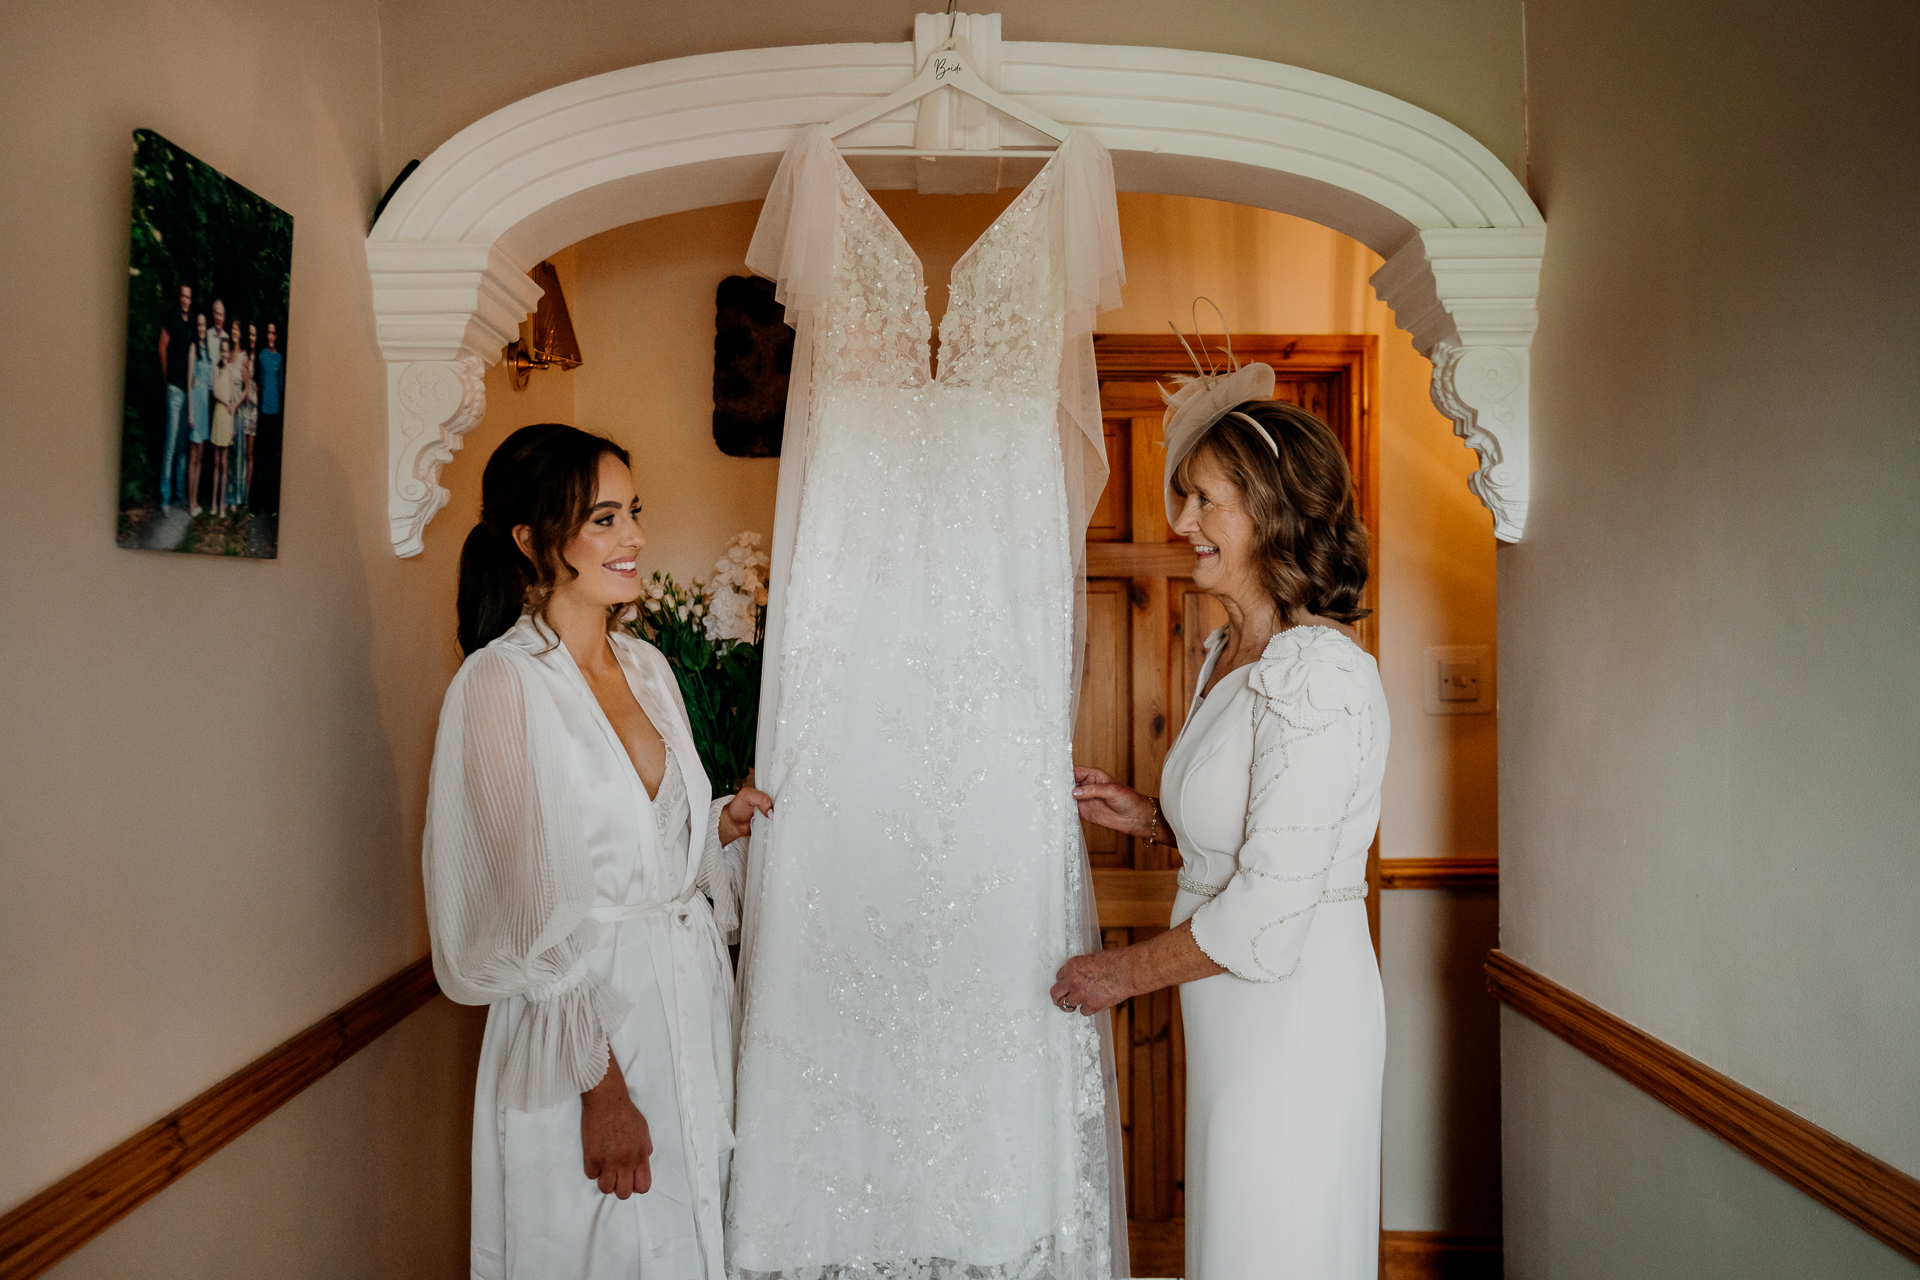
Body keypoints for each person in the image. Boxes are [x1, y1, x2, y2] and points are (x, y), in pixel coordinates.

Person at [1052, 358, 1389, 1280]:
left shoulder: (1317, 674)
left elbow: (1271, 910)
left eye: (1205, 501)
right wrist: (1154, 818)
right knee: (1238, 1241)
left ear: (1271, 512)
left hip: (1292, 1014)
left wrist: (1117, 974)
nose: (1180, 524)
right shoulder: (1232, 650)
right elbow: (1258, 821)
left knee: (1278, 1242)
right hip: (1233, 1015)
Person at [424, 423, 772, 1280]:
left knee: (697, 1240)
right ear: (535, 540)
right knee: (600, 1251)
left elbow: (651, 844)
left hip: (688, 1007)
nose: (635, 539)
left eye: (634, 513)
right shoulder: (501, 685)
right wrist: (603, 1090)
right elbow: (526, 912)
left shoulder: (648, 667)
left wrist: (717, 826)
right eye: (605, 519)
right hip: (580, 1038)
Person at [157, 283, 193, 511]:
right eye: (182, 295)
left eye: (188, 297)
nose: (185, 300)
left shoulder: (192, 325)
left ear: (191, 300)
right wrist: (166, 378)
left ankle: (180, 495)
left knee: (182, 446)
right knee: (170, 445)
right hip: (174, 390)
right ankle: (165, 497)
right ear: (179, 297)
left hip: (188, 392)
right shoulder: (171, 318)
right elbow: (161, 348)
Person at [208, 322, 244, 518]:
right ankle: (213, 503)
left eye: (225, 350)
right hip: (217, 415)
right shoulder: (217, 368)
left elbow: (231, 399)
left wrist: (231, 425)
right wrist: (224, 402)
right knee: (215, 462)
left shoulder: (230, 370)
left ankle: (222, 505)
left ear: (228, 352)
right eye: (221, 350)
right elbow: (214, 391)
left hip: (226, 417)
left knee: (224, 462)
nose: (223, 353)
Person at [185, 314, 215, 517]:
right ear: (196, 327)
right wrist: (191, 412)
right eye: (199, 324)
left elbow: (212, 383)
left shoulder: (209, 352)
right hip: (195, 402)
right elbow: (189, 381)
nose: (202, 327)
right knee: (193, 455)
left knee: (201, 456)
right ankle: (191, 502)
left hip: (205, 404)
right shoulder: (193, 348)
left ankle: (195, 500)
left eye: (204, 324)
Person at [253, 321, 284, 512]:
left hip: (275, 413)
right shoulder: (261, 355)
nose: (271, 336)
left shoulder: (280, 358)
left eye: (274, 333)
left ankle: (272, 506)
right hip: (263, 413)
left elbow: (280, 386)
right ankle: (257, 505)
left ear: (276, 336)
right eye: (269, 332)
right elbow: (258, 383)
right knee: (261, 458)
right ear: (266, 335)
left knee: (273, 460)